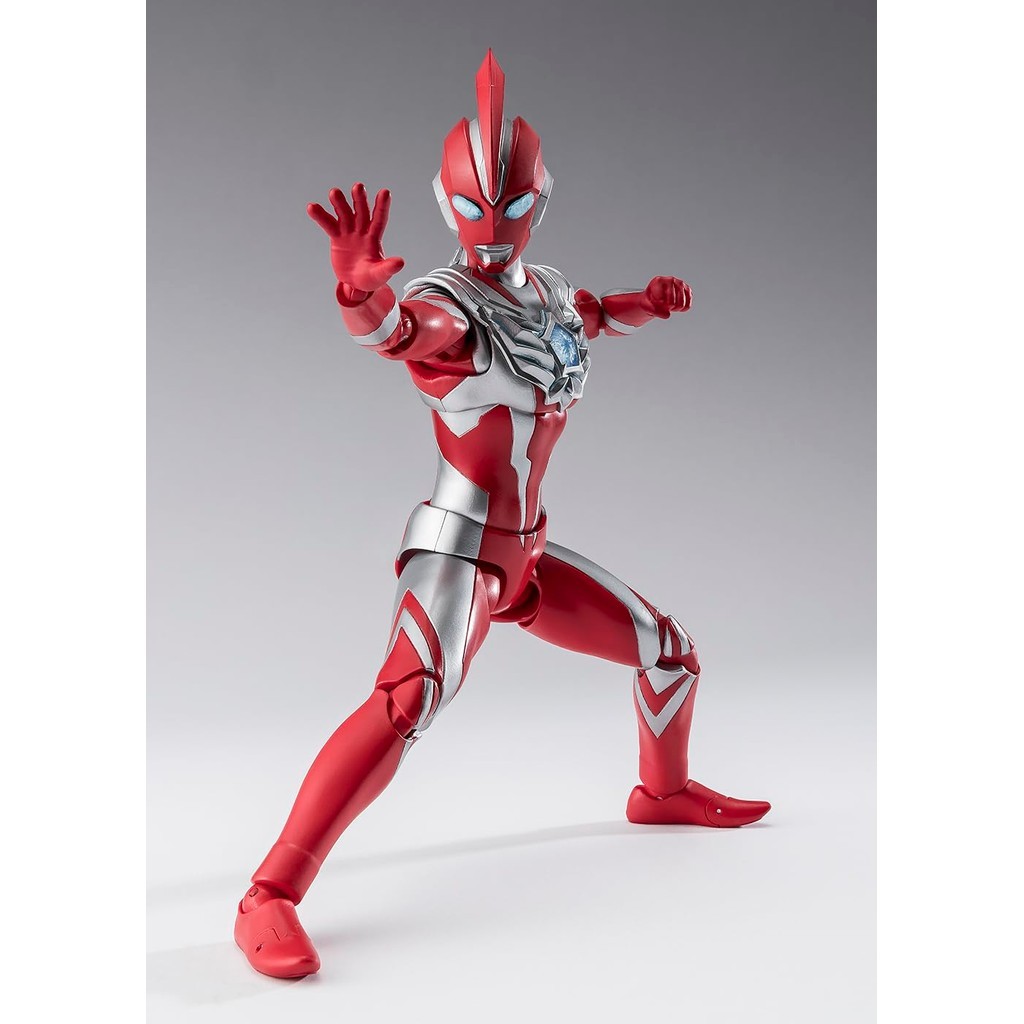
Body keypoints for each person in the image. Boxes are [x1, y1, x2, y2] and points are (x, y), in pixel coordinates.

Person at [235, 50, 770, 979]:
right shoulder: (448, 308)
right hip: (461, 554)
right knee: (407, 699)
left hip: (527, 557)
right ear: (445, 206)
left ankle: (663, 792)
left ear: (540, 201)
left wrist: (648, 303)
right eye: (473, 207)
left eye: (512, 206)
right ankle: (269, 894)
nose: (491, 228)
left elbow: (588, 317)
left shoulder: (547, 292)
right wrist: (360, 294)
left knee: (669, 653)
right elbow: (401, 333)